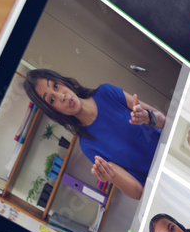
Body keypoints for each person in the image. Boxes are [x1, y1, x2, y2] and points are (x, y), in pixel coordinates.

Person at [24, 69, 165, 200]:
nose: (62, 96)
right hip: (161, 183)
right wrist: (113, 176)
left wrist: (147, 117)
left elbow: (162, 120)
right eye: (52, 100)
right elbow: (138, 193)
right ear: (53, 111)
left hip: (169, 150)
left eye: (55, 86)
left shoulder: (106, 92)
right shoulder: (88, 146)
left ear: (62, 81)